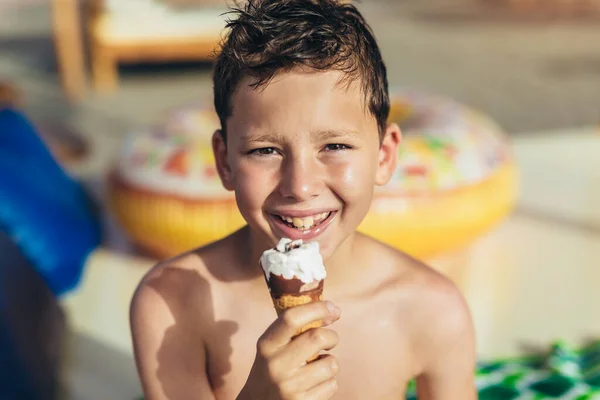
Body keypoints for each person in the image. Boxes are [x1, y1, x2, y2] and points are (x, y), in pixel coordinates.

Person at [130, 0, 477, 398]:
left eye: (334, 145)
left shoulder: (431, 310)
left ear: (384, 156)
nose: (300, 185)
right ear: (224, 161)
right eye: (265, 151)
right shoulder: (173, 304)